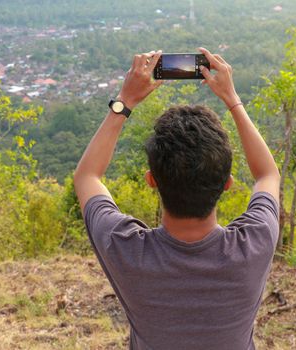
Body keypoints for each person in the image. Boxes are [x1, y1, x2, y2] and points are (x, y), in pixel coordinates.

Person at [73, 47, 280, 350]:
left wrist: (125, 101)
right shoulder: (253, 245)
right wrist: (232, 100)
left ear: (151, 182)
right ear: (227, 185)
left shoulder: (126, 250)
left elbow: (87, 176)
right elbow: (268, 175)